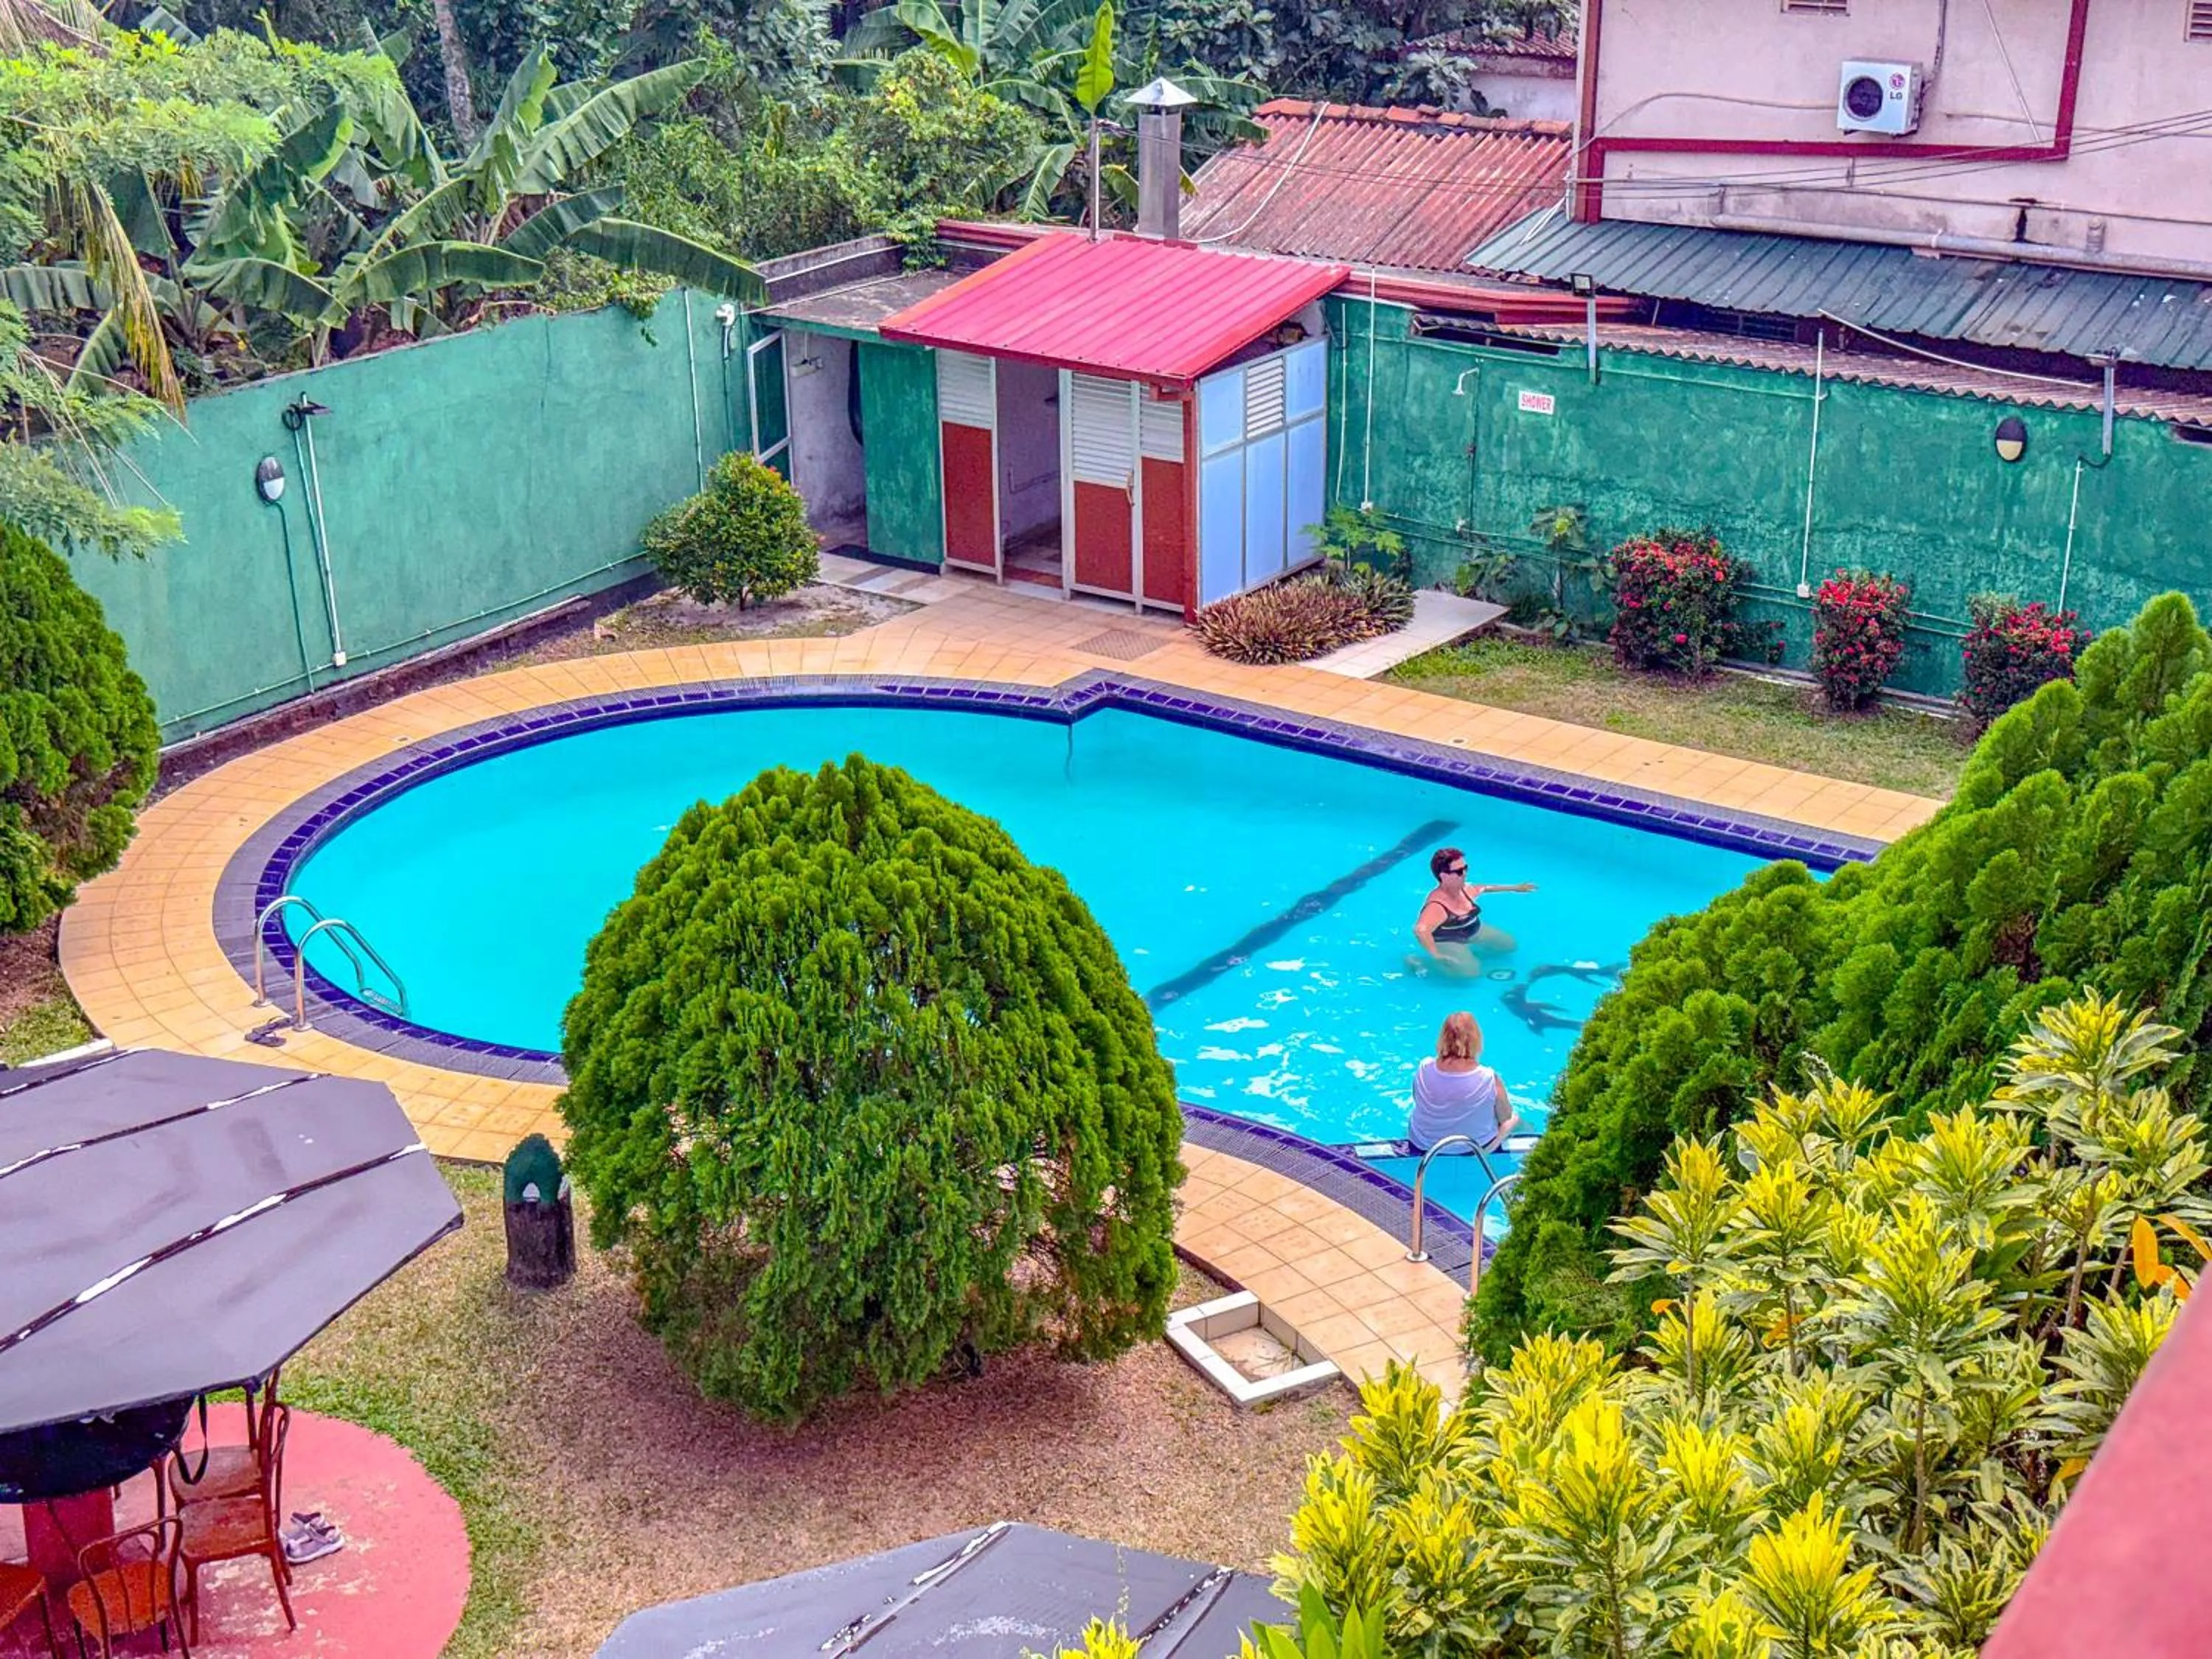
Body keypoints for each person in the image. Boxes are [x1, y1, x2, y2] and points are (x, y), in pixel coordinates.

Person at [1408, 1012, 1520, 1155]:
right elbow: (1504, 1117)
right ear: (1476, 1039)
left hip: (1423, 1146)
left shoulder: (1423, 1068)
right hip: (1474, 1150)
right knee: (1514, 1120)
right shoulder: (1489, 1078)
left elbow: (1417, 1099)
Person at [1414, 846, 1535, 967]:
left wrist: (1516, 888)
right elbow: (1421, 931)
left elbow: (1485, 888)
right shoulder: (1437, 906)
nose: (1465, 874)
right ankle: (1419, 962)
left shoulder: (1466, 889)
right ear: (1444, 876)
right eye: (1459, 871)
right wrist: (1436, 955)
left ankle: (1467, 954)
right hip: (1450, 939)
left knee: (1509, 946)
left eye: (1466, 868)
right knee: (1470, 973)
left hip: (1473, 930)